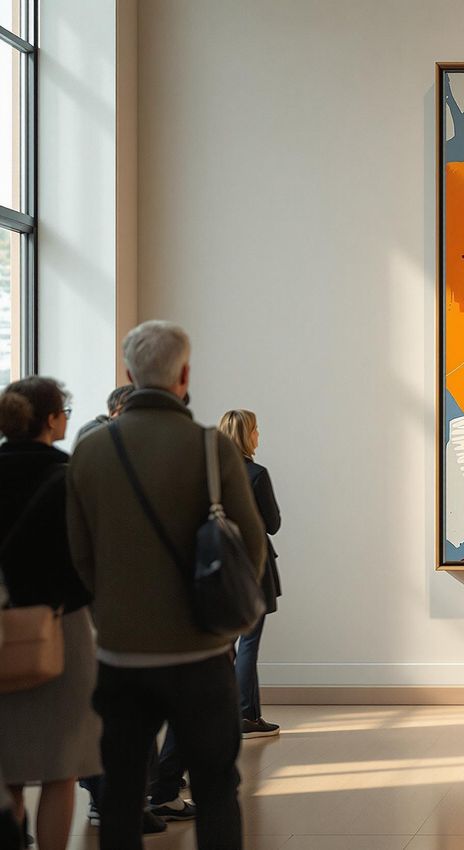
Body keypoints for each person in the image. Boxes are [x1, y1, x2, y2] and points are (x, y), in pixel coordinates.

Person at [67, 320, 266, 850]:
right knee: (217, 789)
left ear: (131, 374)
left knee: (122, 796)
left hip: (121, 656)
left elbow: (79, 557)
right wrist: (229, 628)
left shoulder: (89, 451)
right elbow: (251, 548)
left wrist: (110, 613)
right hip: (201, 655)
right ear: (184, 374)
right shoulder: (210, 450)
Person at [0, 377, 102, 850]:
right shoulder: (69, 473)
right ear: (51, 419)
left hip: (2, 632)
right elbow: (86, 555)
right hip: (61, 628)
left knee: (9, 768)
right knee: (62, 766)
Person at [218, 409, 283, 739]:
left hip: (217, 566)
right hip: (253, 565)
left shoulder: (209, 475)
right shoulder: (256, 474)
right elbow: (272, 523)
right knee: (249, 642)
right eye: (256, 430)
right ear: (246, 435)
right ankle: (246, 714)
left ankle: (224, 713)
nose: (259, 435)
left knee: (222, 643)